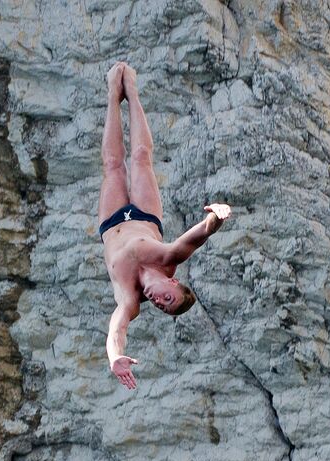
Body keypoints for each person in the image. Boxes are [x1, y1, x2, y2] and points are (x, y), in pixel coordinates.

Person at [98, 62, 231, 390]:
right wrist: (216, 217)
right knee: (142, 158)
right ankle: (132, 90)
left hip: (112, 222)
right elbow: (196, 237)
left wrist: (115, 357)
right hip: (144, 216)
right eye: (167, 300)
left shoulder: (129, 297)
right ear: (173, 283)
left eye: (161, 308)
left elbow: (118, 329)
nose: (158, 303)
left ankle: (113, 97)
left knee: (114, 167)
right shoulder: (169, 259)